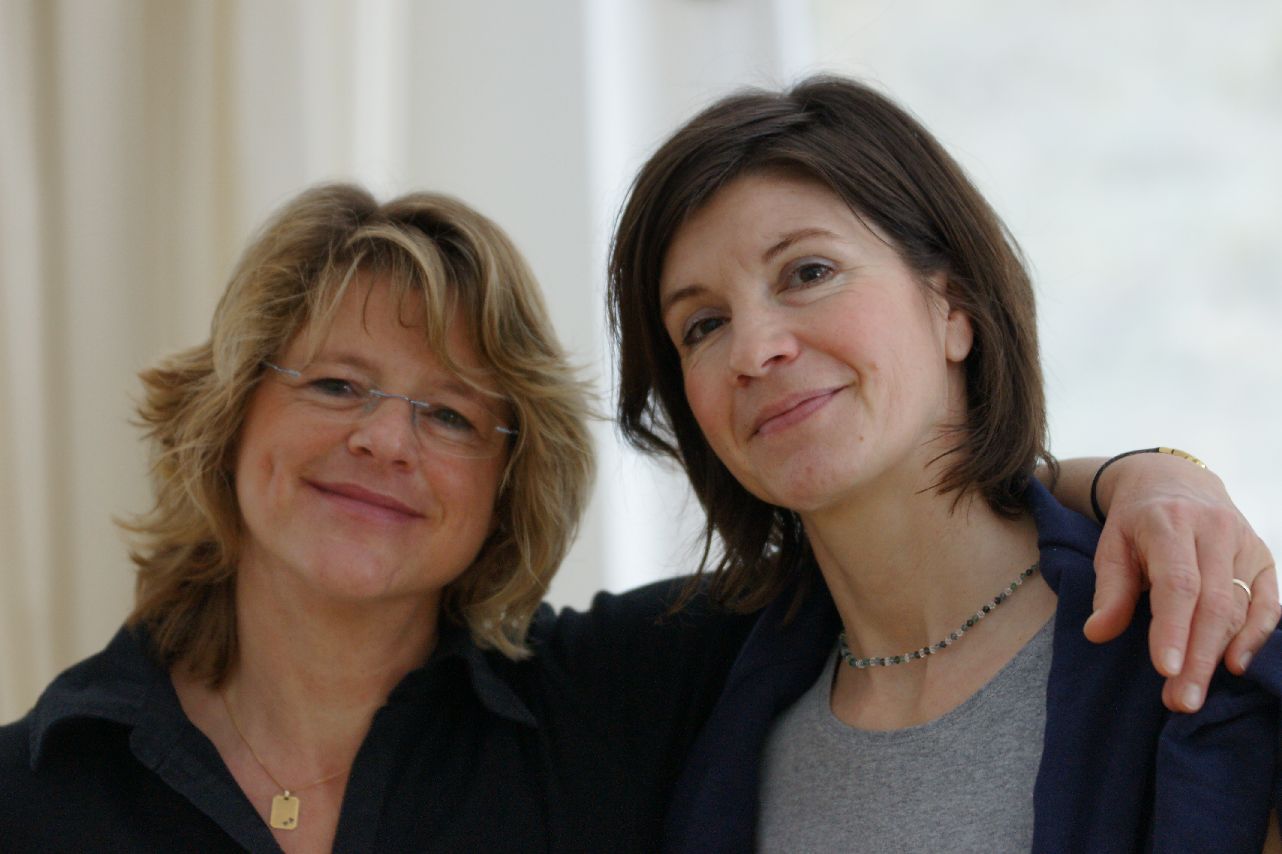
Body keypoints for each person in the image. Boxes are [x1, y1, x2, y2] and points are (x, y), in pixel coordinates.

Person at [0, 181, 1272, 853]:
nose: (386, 439)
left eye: (452, 414)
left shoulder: (615, 698)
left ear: (510, 481)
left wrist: (1138, 477)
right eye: (336, 384)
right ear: (227, 418)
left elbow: (893, 522)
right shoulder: (34, 787)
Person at [606, 76, 1282, 851]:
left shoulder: (1201, 659)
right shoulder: (690, 697)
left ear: (953, 304)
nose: (754, 350)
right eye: (703, 324)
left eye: (809, 272)